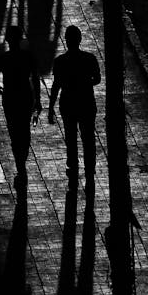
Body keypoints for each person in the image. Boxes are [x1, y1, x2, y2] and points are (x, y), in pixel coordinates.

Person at [48, 26, 101, 186]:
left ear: (66, 40)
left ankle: (72, 165)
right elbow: (97, 79)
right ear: (80, 39)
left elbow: (56, 85)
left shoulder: (60, 61)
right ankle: (90, 168)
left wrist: (51, 108)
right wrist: (85, 83)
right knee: (88, 137)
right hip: (86, 102)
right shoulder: (90, 58)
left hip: (68, 103)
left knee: (71, 137)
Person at [0, 26, 42, 190]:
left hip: (10, 98)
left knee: (14, 132)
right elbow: (35, 78)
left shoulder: (3, 58)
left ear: (7, 40)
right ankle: (22, 163)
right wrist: (38, 100)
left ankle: (20, 165)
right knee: (24, 132)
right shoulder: (28, 57)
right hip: (25, 97)